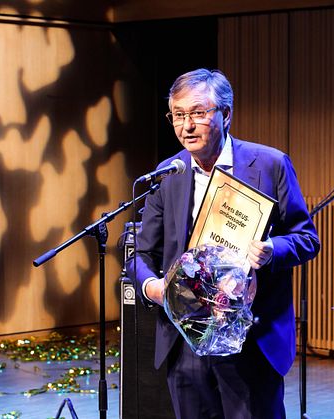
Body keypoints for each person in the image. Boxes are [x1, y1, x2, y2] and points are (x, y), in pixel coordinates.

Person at [129, 68, 320, 419]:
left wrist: (271, 250)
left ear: (226, 114)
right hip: (185, 339)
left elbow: (306, 239)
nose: (187, 126)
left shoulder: (269, 164)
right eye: (179, 115)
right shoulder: (169, 173)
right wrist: (151, 287)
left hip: (250, 338)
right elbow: (141, 253)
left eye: (198, 113)